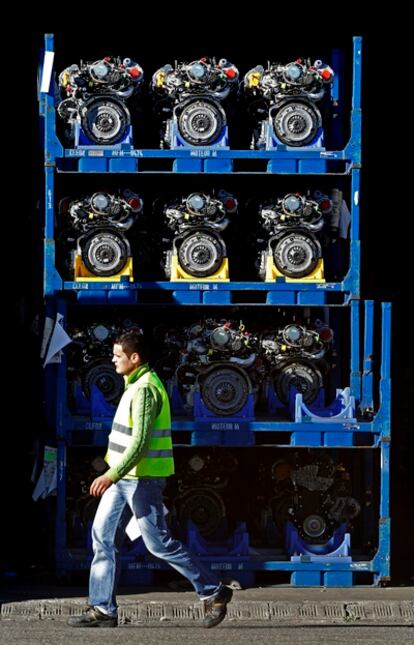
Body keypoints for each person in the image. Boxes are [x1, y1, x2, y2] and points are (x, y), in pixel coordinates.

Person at [68, 329, 232, 629]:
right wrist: (115, 475)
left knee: (159, 544)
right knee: (102, 536)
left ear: (135, 357)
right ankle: (103, 609)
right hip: (124, 479)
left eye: (118, 355)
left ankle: (214, 591)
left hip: (141, 480)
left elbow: (140, 441)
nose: (113, 360)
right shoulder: (136, 384)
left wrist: (111, 474)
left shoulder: (144, 389)